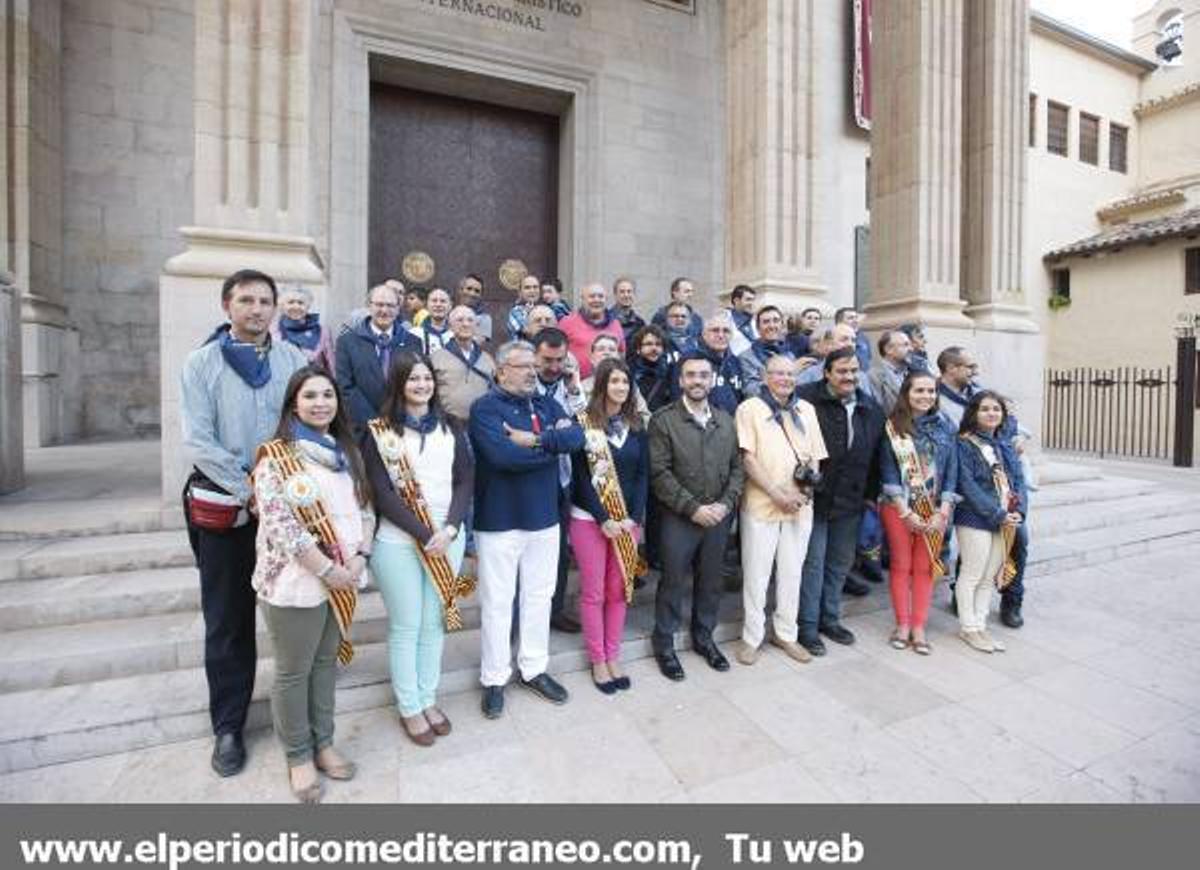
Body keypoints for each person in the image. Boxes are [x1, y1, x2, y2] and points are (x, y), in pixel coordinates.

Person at [181, 268, 308, 778]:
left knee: (294, 611)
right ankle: (228, 726)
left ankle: (298, 719)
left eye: (265, 301)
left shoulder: (293, 359)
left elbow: (303, 422)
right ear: (227, 306)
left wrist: (283, 491)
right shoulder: (202, 364)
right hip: (228, 511)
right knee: (229, 620)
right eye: (247, 300)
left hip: (283, 510)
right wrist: (251, 490)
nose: (257, 309)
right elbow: (199, 440)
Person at [250, 366, 373, 802]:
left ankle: (324, 743)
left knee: (325, 665)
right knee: (293, 671)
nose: (320, 403)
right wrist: (326, 569)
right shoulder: (275, 455)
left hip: (342, 576)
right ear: (293, 404)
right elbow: (281, 524)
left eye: (327, 395)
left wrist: (362, 556)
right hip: (295, 582)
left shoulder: (345, 451)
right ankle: (298, 755)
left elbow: (366, 509)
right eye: (309, 396)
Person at [469, 340, 585, 718]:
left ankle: (533, 668)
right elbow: (502, 457)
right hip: (500, 520)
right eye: (522, 366)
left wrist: (535, 441)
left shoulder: (548, 404)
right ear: (501, 371)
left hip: (545, 519)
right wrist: (551, 449)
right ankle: (495, 677)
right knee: (499, 602)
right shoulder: (484, 408)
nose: (532, 372)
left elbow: (576, 439)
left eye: (533, 366)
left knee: (539, 597)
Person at [361, 355, 472, 745]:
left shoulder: (451, 427)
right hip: (398, 541)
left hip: (447, 539)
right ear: (399, 384)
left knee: (432, 623)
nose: (422, 384)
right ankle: (409, 706)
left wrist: (452, 526)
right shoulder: (379, 432)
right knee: (406, 625)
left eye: (427, 378)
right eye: (413, 379)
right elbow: (381, 492)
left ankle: (428, 697)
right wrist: (425, 533)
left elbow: (464, 480)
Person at [648, 352, 745, 680]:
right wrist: (693, 508)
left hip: (718, 516)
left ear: (712, 379)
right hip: (680, 517)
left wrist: (725, 504)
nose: (697, 381)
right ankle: (664, 644)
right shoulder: (663, 420)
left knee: (711, 581)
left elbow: (737, 468)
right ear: (680, 380)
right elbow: (660, 473)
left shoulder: (725, 420)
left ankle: (704, 638)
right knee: (673, 582)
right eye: (690, 375)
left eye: (703, 375)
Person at [734, 354, 827, 666]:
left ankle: (786, 633)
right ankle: (752, 637)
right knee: (757, 576)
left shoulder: (807, 410)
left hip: (799, 506)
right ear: (764, 376)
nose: (786, 379)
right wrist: (776, 493)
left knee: (792, 573)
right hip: (762, 505)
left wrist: (804, 492)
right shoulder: (749, 408)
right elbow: (747, 458)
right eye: (778, 373)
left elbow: (815, 456)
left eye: (790, 374)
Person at [794, 348, 886, 656]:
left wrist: (870, 498)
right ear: (827, 373)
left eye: (853, 371)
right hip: (814, 500)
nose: (849, 377)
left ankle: (829, 620)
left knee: (838, 565)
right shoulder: (805, 400)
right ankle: (806, 627)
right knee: (813, 565)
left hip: (851, 502)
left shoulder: (870, 408)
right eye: (842, 371)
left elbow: (876, 457)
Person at [569, 358, 649, 693]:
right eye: (614, 381)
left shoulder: (637, 426)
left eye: (625, 382)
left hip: (627, 522)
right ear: (601, 385)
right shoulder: (584, 423)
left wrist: (633, 516)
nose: (620, 387)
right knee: (595, 591)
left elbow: (643, 475)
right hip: (591, 521)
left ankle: (614, 655)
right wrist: (604, 518)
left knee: (619, 591)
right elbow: (580, 479)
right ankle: (598, 659)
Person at [877, 372, 959, 655]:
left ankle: (919, 626)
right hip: (898, 508)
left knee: (924, 567)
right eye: (919, 391)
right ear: (906, 393)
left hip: (935, 510)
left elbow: (951, 473)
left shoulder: (947, 427)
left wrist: (943, 511)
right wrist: (905, 512)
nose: (926, 396)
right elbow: (887, 470)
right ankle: (902, 624)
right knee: (901, 565)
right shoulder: (893, 426)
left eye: (931, 391)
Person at [953, 390, 1027, 654]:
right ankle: (968, 628)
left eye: (996, 409)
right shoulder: (963, 443)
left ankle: (980, 624)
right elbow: (966, 484)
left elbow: (1018, 481)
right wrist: (997, 513)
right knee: (972, 574)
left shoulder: (1004, 445)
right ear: (974, 413)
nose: (991, 413)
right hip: (975, 518)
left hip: (1005, 519)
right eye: (985, 409)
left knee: (988, 578)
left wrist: (1020, 512)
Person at [532, 328, 585, 633]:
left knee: (560, 552)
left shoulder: (569, 386)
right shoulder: (526, 385)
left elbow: (584, 426)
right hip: (533, 479)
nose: (553, 367)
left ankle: (554, 610)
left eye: (559, 360)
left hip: (564, 479)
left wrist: (575, 389)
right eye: (547, 360)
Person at [335, 282, 422, 431]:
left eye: (390, 305)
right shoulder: (347, 342)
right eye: (379, 305)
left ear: (398, 308)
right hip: (361, 429)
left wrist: (399, 417)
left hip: (403, 426)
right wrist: (375, 423)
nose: (384, 310)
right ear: (369, 306)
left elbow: (416, 383)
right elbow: (346, 386)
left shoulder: (413, 343)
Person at [429, 305, 497, 425]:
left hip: (482, 425)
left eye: (470, 320)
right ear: (450, 326)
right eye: (459, 320)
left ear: (476, 326)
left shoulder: (487, 359)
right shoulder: (436, 358)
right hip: (447, 425)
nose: (465, 324)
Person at [671, 313, 744, 415]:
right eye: (715, 330)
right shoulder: (689, 361)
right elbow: (678, 399)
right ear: (704, 334)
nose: (721, 335)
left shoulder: (735, 363)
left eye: (726, 331)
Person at [559, 282, 626, 378]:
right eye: (592, 296)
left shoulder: (616, 324)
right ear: (583, 299)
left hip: (609, 385)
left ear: (606, 299)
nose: (596, 300)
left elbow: (621, 355)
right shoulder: (567, 323)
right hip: (576, 385)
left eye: (600, 296)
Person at [580, 333, 651, 423]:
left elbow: (645, 417)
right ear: (592, 358)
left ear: (618, 357)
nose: (607, 353)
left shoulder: (630, 386)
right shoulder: (580, 388)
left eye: (612, 349)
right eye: (601, 349)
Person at [274, 285, 335, 374]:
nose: (296, 307)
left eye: (301, 303)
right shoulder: (273, 330)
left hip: (313, 382)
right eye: (291, 302)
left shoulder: (322, 331)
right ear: (283, 305)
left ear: (308, 306)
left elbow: (331, 364)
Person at [738, 305, 791, 399]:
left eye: (776, 321)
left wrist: (766, 379)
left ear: (782, 325)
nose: (771, 326)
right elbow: (751, 391)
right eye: (766, 322)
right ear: (758, 328)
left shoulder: (789, 355)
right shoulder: (746, 357)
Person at [867, 330, 913, 415]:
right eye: (906, 345)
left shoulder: (912, 373)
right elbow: (878, 411)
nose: (911, 349)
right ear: (888, 349)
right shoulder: (874, 376)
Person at [630, 324, 674, 414]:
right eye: (648, 344)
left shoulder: (670, 373)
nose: (654, 348)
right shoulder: (630, 372)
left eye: (658, 344)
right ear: (638, 348)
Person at [408, 287, 453, 355]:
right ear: (426, 305)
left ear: (450, 306)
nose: (438, 305)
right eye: (434, 301)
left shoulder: (456, 335)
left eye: (443, 301)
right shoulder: (414, 334)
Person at [456, 274, 493, 344]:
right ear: (460, 290)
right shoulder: (448, 314)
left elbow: (475, 344)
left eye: (477, 291)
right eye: (469, 288)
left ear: (481, 296)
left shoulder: (484, 318)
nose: (472, 293)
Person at [834, 306, 872, 374]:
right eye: (850, 318)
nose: (856, 321)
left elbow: (868, 359)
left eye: (856, 317)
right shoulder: (832, 336)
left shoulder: (863, 338)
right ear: (839, 322)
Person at [506, 273, 543, 341]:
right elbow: (529, 332)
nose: (532, 291)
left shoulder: (544, 310)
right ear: (520, 292)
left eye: (535, 287)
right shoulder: (515, 312)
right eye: (527, 288)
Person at [611, 276, 646, 347]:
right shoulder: (606, 319)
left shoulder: (640, 323)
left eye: (629, 291)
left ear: (634, 294)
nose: (626, 295)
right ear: (615, 294)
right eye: (622, 292)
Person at [726, 284, 757, 354]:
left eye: (753, 300)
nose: (752, 303)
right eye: (748, 299)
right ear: (736, 301)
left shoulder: (754, 322)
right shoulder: (725, 319)